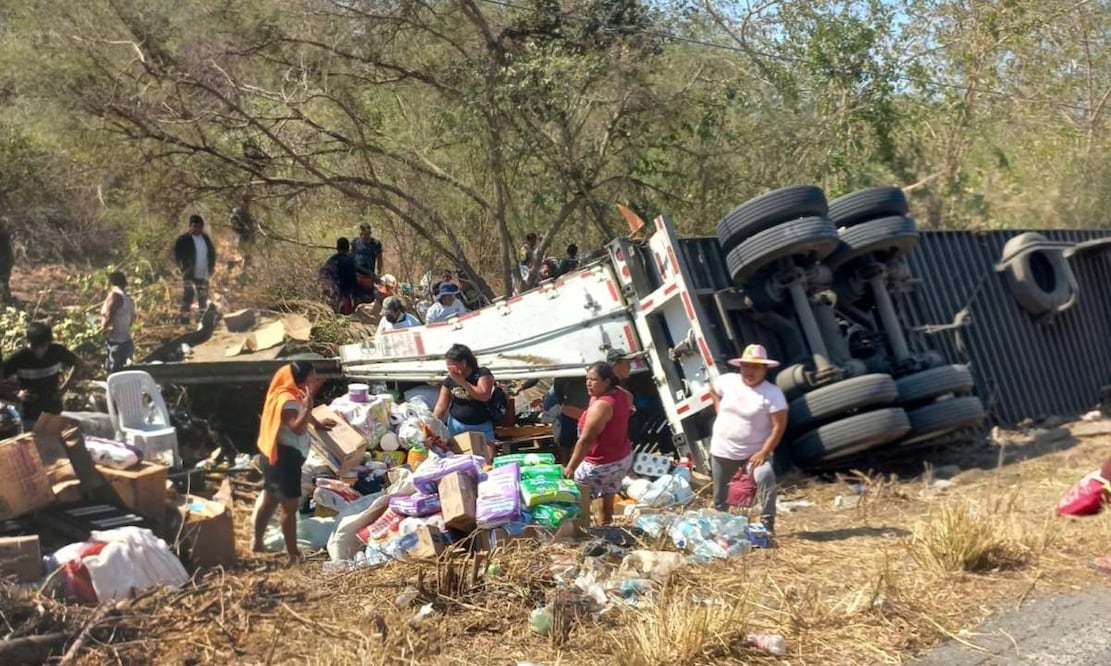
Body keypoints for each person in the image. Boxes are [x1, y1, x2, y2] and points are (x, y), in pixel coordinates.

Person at [251, 361, 336, 566]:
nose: (315, 380)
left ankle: (257, 543)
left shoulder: (287, 392)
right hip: (284, 460)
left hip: (272, 454)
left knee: (269, 500)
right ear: (300, 380)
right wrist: (307, 406)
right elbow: (297, 427)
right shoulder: (287, 400)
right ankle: (293, 555)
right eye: (311, 377)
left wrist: (316, 423)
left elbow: (301, 414)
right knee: (289, 508)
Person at [708, 343, 788, 534]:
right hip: (723, 450)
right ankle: (723, 531)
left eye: (756, 367)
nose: (749, 371)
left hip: (754, 453)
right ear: (740, 367)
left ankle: (767, 524)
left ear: (765, 369)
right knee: (720, 497)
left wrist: (764, 452)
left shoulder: (772, 393)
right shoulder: (727, 381)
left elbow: (778, 426)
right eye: (746, 366)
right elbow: (712, 390)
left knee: (765, 475)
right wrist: (719, 409)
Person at [563, 362, 634, 525]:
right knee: (607, 497)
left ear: (607, 381)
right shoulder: (621, 394)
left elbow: (586, 440)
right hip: (621, 459)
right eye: (587, 379)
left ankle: (579, 530)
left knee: (575, 499)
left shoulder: (602, 405)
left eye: (593, 380)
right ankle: (605, 527)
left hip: (601, 464)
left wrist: (571, 467)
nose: (588, 383)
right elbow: (629, 401)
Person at [1, 322, 82, 431]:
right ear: (29, 342)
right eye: (34, 347)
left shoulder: (57, 351)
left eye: (42, 346)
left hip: (53, 407)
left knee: (53, 438)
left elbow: (78, 364)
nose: (38, 351)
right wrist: (14, 396)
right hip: (30, 412)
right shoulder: (19, 358)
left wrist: (64, 388)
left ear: (48, 343)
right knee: (32, 440)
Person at [433, 344, 496, 441]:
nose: (449, 368)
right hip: (457, 425)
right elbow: (441, 405)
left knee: (484, 451)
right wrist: (433, 422)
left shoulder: (482, 373)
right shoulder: (450, 379)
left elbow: (484, 395)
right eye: (448, 365)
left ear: (464, 362)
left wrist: (462, 382)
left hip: (481, 425)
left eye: (452, 365)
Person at [173, 214, 217, 324]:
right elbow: (177, 255)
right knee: (188, 295)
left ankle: (202, 320)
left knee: (203, 297)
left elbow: (212, 253)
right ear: (190, 226)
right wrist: (183, 268)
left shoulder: (205, 238)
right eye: (195, 226)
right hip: (189, 273)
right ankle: (184, 320)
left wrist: (211, 267)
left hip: (203, 273)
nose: (198, 229)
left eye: (200, 227)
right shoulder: (184, 239)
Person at [546, 373, 590, 465]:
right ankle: (566, 464)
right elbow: (558, 384)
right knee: (568, 441)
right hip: (573, 410)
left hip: (580, 410)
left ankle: (567, 463)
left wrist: (561, 399)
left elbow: (558, 384)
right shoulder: (571, 371)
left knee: (568, 441)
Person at [100, 271, 136, 374]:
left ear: (110, 283)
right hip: (126, 342)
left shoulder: (115, 296)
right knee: (124, 375)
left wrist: (102, 331)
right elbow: (132, 320)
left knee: (114, 375)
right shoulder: (128, 300)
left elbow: (109, 316)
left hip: (116, 343)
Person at [320, 238, 357, 314]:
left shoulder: (331, 259)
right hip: (343, 294)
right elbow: (352, 279)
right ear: (348, 248)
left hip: (330, 291)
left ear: (337, 248)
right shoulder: (350, 261)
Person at [351, 222, 383, 299]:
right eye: (362, 233)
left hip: (369, 276)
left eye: (367, 233)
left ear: (369, 232)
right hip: (357, 275)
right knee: (355, 297)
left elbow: (379, 259)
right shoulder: (355, 242)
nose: (364, 235)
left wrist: (379, 273)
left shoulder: (376, 244)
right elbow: (351, 256)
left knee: (368, 298)